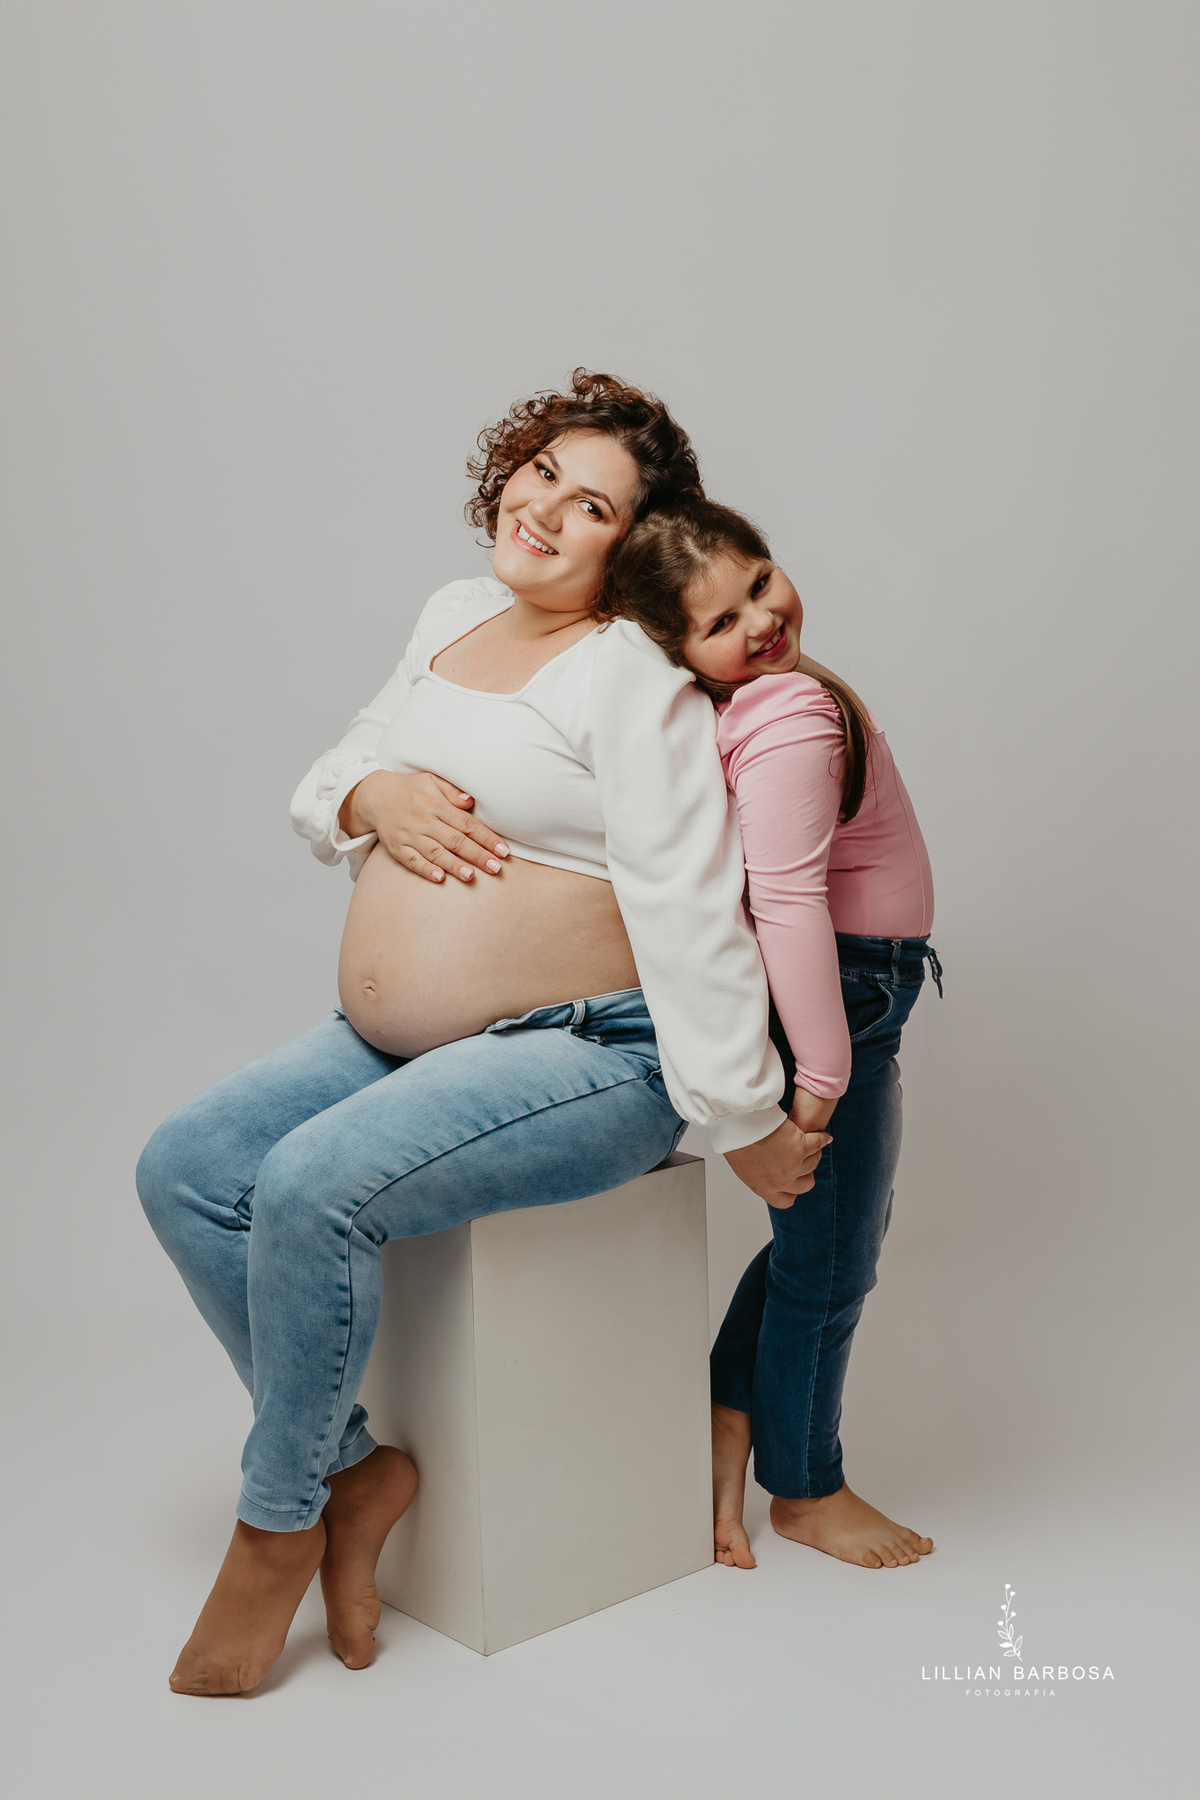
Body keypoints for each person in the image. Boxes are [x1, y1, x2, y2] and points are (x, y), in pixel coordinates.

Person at [136, 373, 830, 1696]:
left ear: (632, 548)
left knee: (307, 1189)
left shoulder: (632, 678)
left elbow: (691, 911)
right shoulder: (454, 617)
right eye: (544, 474)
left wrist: (738, 1117)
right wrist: (377, 792)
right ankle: (357, 1473)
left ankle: (275, 1527)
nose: (547, 511)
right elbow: (328, 777)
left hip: (590, 1054)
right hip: (397, 1041)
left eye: (594, 508)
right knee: (183, 1170)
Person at [605, 497, 941, 1572]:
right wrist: (821, 1080)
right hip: (839, 1000)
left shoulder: (755, 704)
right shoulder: (788, 712)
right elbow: (787, 901)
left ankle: (725, 1410)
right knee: (833, 1267)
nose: (759, 619)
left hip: (847, 989)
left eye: (760, 581)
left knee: (818, 1248)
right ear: (679, 652)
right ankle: (804, 1489)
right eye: (719, 622)